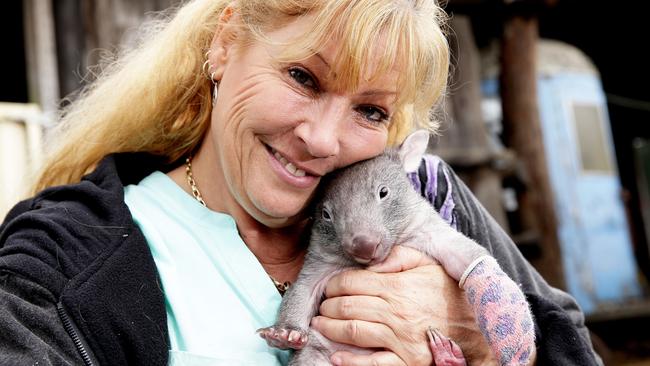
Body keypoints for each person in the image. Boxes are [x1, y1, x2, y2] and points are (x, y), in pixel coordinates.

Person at [0, 0, 601, 365]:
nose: (323, 139)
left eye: (371, 111)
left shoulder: (428, 200)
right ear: (225, 43)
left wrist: (481, 343)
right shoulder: (65, 255)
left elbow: (570, 347)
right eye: (303, 78)